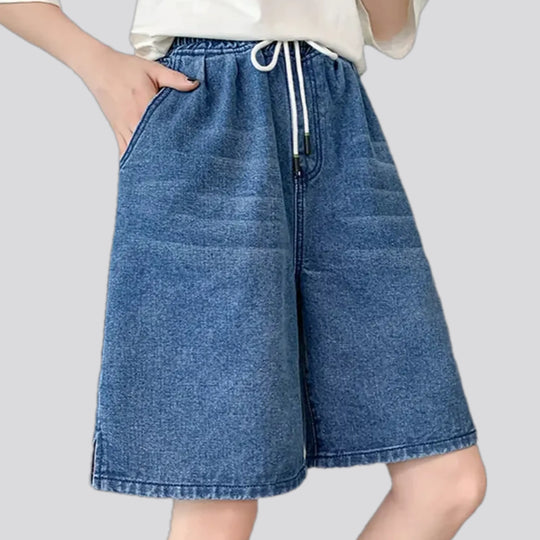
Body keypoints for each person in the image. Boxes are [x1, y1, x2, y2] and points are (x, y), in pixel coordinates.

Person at [0, 1, 487, 539]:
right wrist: (97, 66)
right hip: (209, 104)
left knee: (447, 483)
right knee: (221, 503)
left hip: (338, 111)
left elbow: (389, 25)